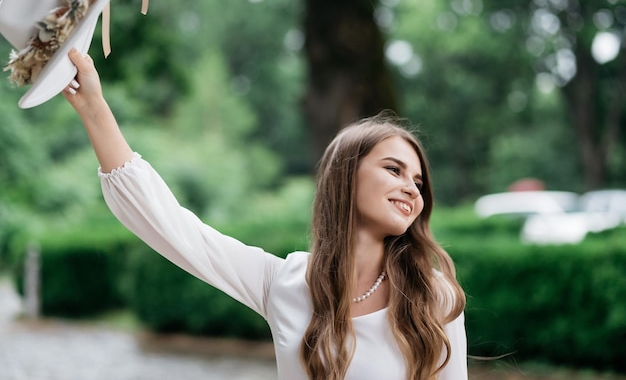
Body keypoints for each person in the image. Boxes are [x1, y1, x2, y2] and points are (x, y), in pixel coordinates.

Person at [62, 48, 468, 380]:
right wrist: (94, 108)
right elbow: (171, 226)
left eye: (418, 181)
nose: (412, 189)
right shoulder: (284, 283)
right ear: (346, 177)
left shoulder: (433, 296)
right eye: (394, 169)